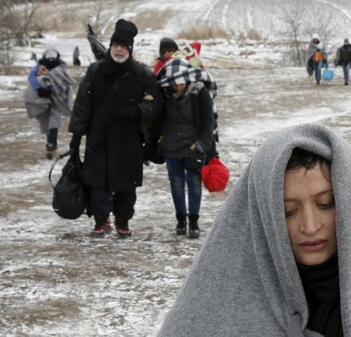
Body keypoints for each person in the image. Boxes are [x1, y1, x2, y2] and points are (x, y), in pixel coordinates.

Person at [158, 123, 351, 336]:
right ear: (264, 216)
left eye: (325, 204)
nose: (310, 227)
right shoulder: (221, 296)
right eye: (288, 211)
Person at [68, 19, 159, 238]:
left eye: (123, 46)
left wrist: (138, 111)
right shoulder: (95, 71)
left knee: (126, 185)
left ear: (130, 49)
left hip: (129, 140)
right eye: (116, 45)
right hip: (99, 138)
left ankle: (123, 221)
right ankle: (101, 221)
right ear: (110, 47)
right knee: (97, 182)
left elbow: (154, 103)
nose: (119, 49)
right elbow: (83, 103)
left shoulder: (142, 74)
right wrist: (76, 135)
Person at [153, 58, 215, 238]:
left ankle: (194, 222)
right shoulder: (163, 94)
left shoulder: (199, 93)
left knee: (194, 183)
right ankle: (181, 220)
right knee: (176, 182)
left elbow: (208, 121)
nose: (178, 86)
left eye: (180, 82)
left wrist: (203, 143)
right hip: (170, 146)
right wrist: (156, 142)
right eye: (174, 82)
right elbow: (156, 120)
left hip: (193, 147)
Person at [23, 48, 74, 159]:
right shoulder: (39, 66)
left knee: (54, 121)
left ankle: (51, 144)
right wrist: (40, 89)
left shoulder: (61, 67)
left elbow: (63, 80)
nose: (51, 60)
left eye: (53, 58)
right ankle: (51, 142)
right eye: (49, 58)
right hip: (43, 99)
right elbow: (31, 77)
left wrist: (54, 89)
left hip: (57, 99)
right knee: (46, 121)